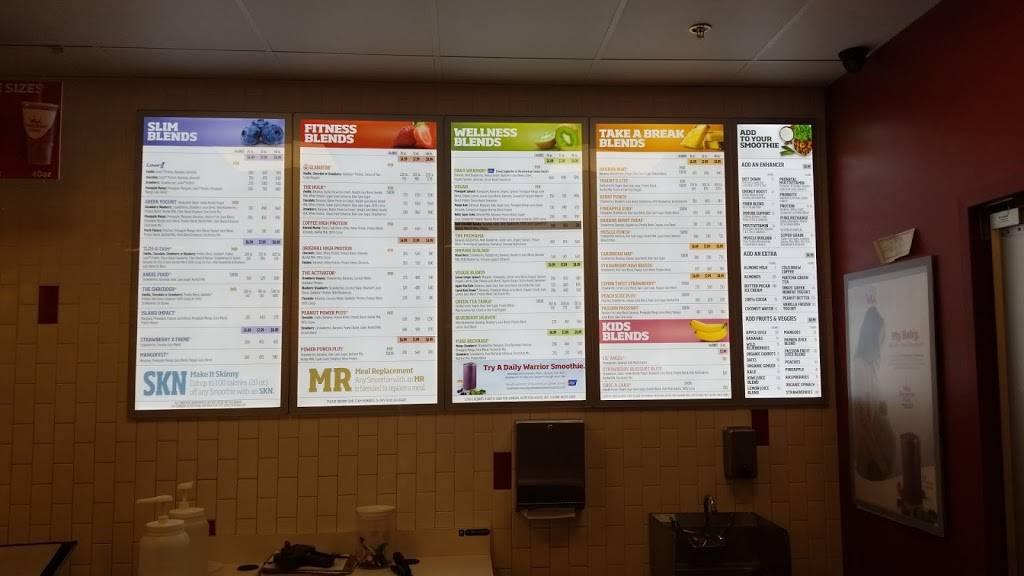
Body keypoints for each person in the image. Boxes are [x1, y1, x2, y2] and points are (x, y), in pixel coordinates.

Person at [850, 305, 898, 481]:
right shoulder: (859, 368)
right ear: (872, 337)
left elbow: (875, 409)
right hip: (873, 459)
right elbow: (864, 422)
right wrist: (880, 461)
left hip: (880, 457)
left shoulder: (871, 366)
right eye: (881, 336)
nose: (882, 342)